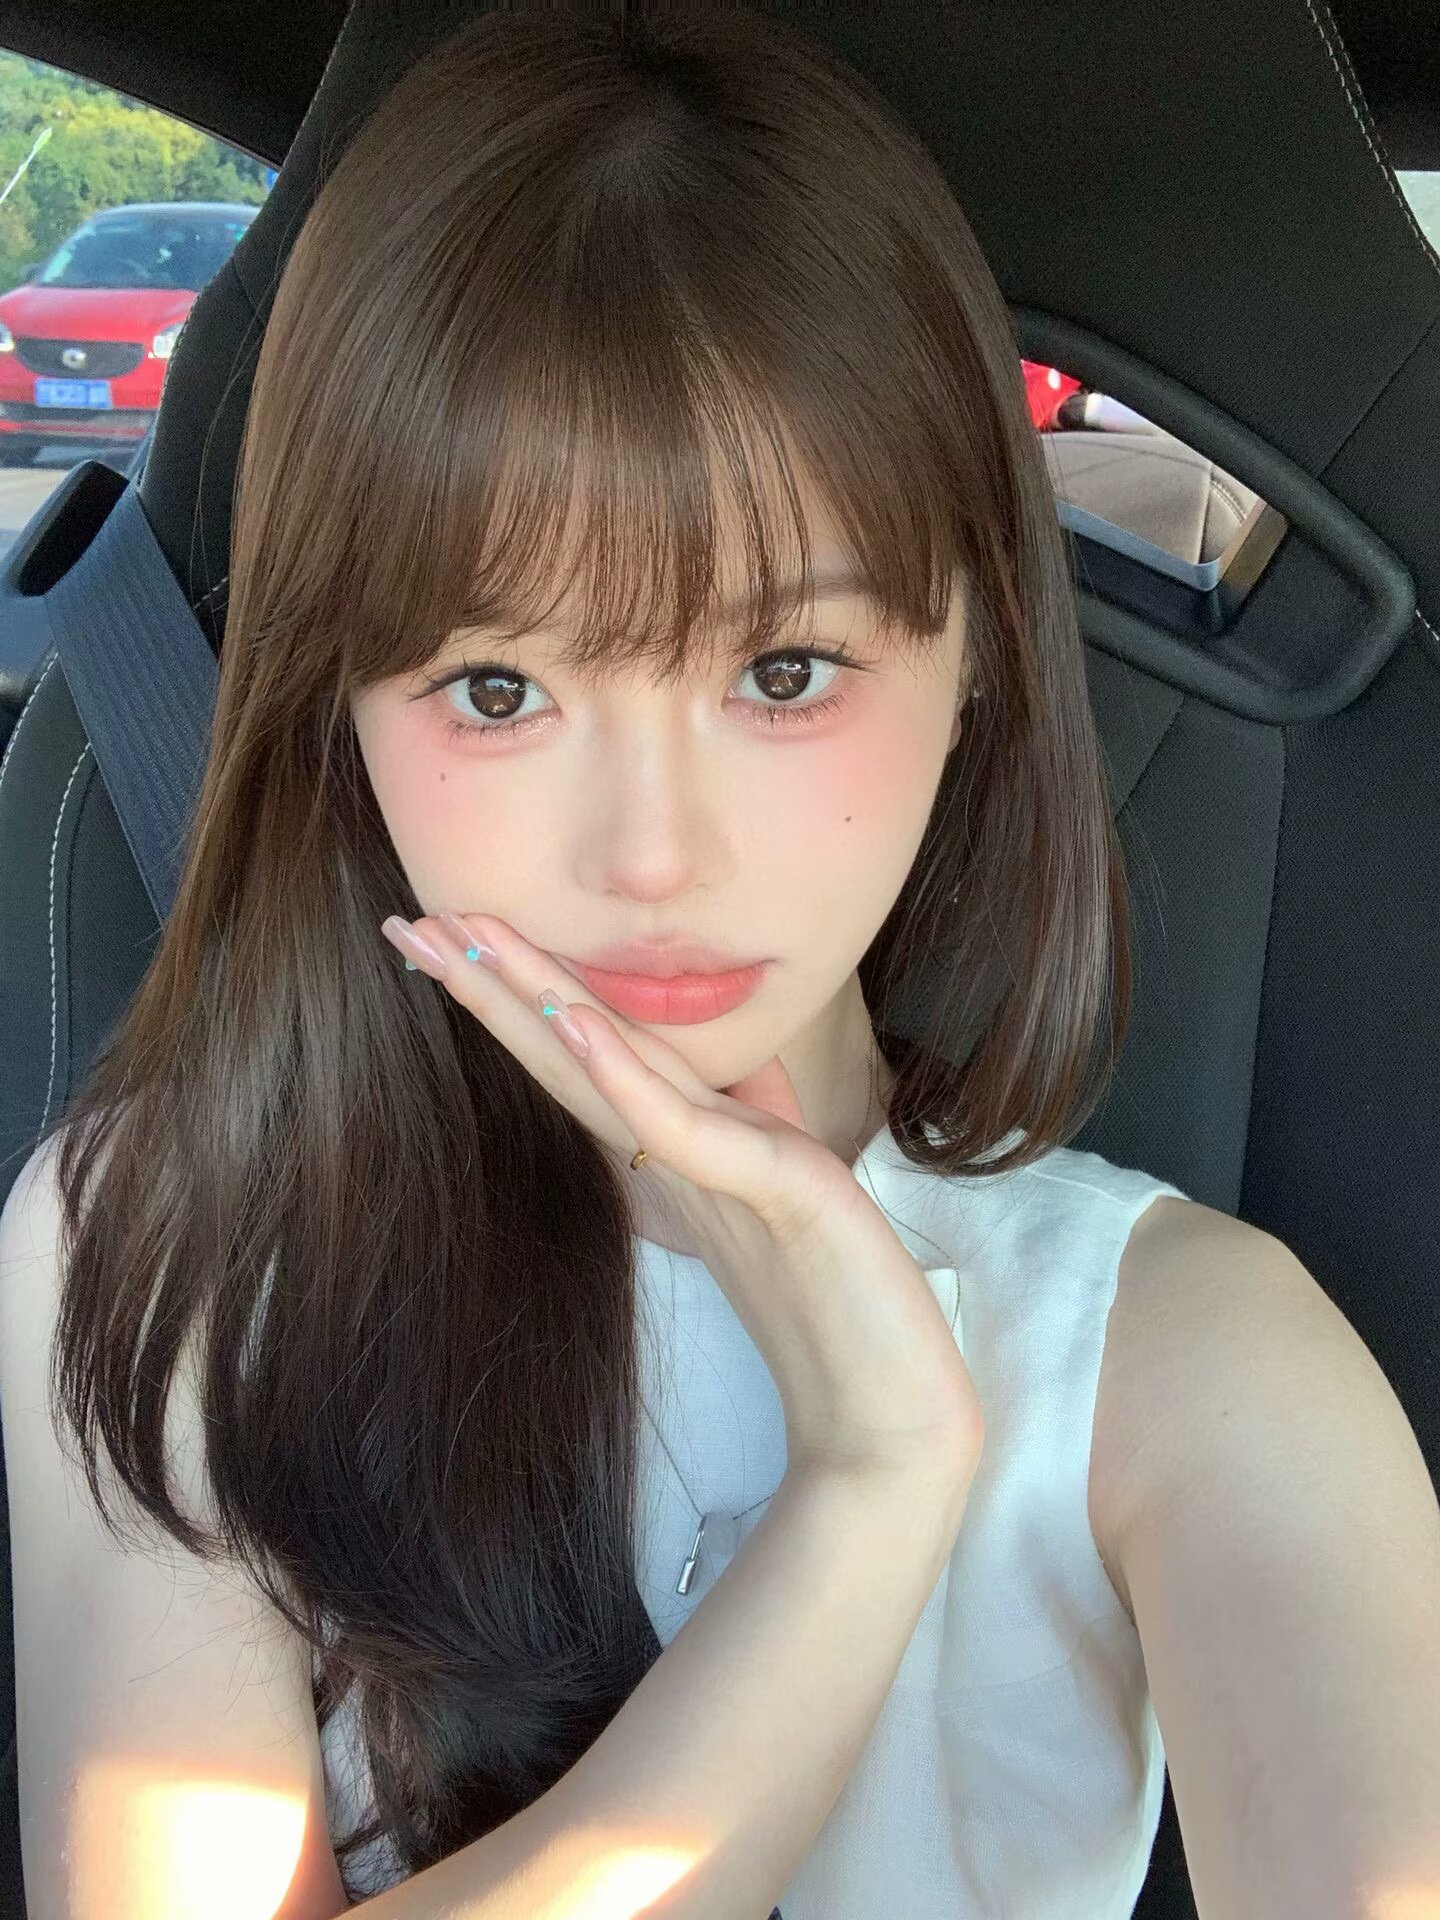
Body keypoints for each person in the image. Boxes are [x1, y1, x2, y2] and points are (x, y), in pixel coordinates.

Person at [4, 10, 1438, 1920]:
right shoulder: (163, 1252)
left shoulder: (1187, 1353)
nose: (650, 856)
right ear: (336, 699)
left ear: (978, 652)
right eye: (494, 688)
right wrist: (866, 1488)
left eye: (784, 671)